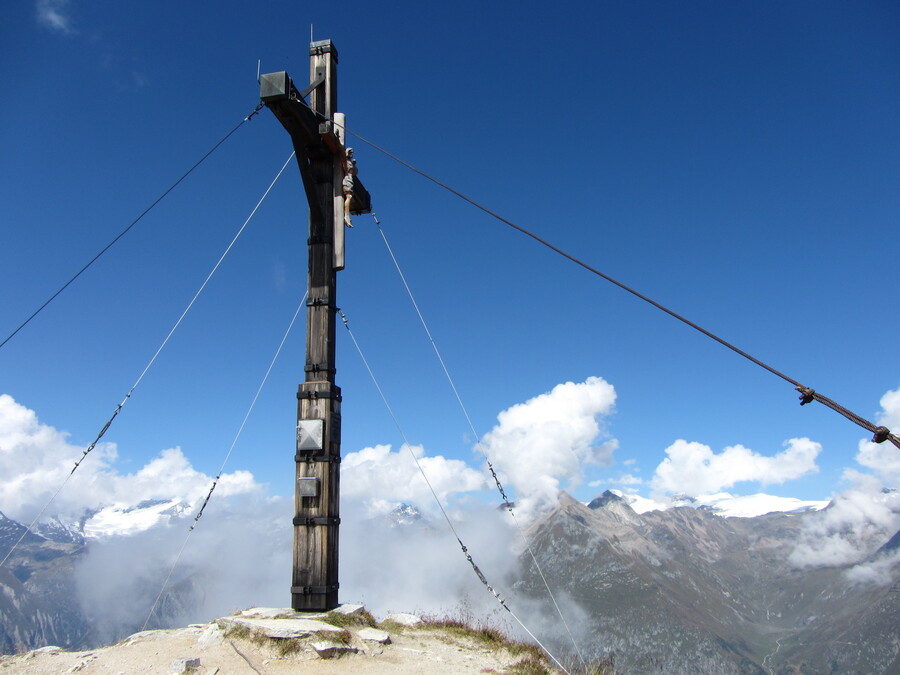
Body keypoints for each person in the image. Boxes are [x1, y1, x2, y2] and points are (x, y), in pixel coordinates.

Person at [342, 148, 357, 228]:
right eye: (350, 152)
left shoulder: (349, 162)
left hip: (350, 180)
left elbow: (354, 172)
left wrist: (353, 165)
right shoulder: (345, 161)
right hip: (347, 180)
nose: (352, 153)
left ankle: (347, 215)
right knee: (349, 196)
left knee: (349, 197)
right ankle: (346, 215)